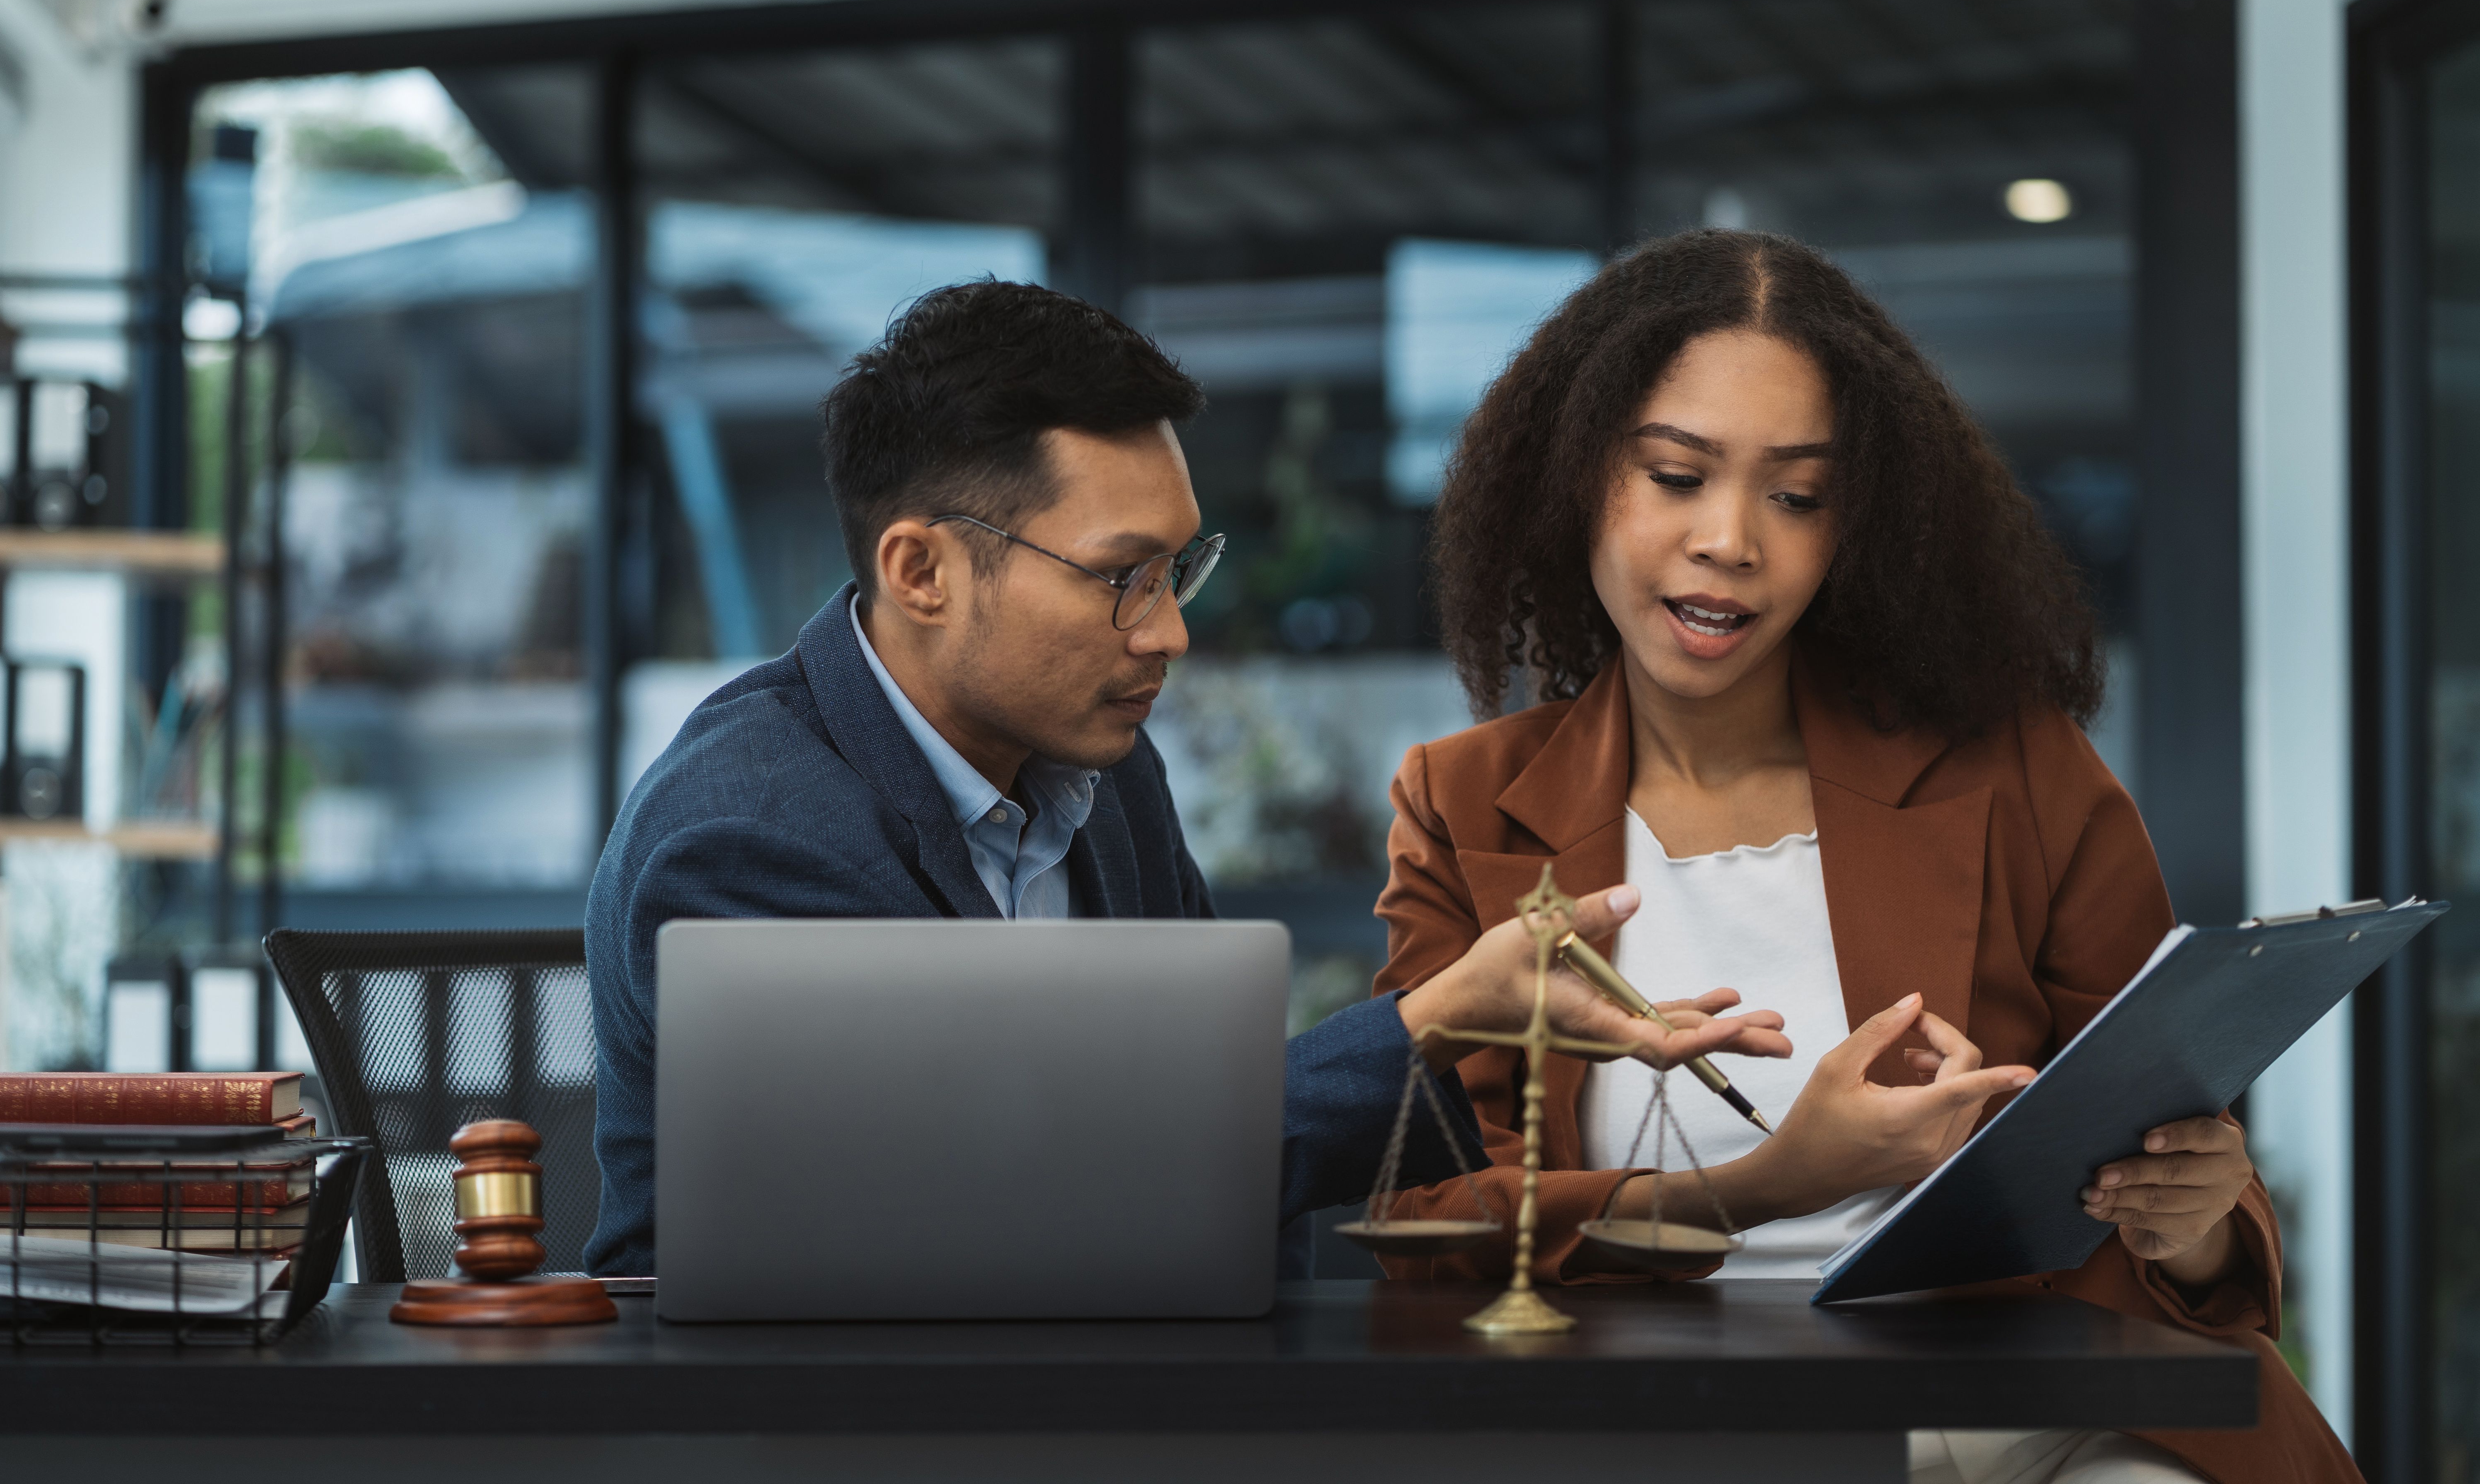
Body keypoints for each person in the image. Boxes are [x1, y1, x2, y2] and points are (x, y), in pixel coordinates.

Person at [1368, 231, 2353, 1484]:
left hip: (2019, 1404)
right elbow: (1426, 1222)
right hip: (1673, 1426)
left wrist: (2198, 1216)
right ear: (1576, 481)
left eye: (1797, 495)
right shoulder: (1464, 804)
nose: (1731, 539)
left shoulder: (2013, 766)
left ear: (1856, 526)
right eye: (1676, 475)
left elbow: (2179, 1144)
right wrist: (1773, 1183)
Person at [584, 280, 1786, 1277]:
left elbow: (1215, 1148)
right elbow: (1010, 1199)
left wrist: (1518, 1047)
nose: (1168, 634)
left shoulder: (1100, 773)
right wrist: (1437, 1019)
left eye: (1179, 570)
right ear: (921, 571)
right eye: (1123, 578)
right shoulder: (752, 834)